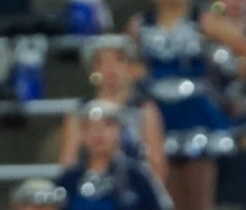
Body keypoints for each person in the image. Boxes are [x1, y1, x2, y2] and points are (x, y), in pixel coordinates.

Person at [131, 0, 246, 210]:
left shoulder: (203, 20)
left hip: (195, 112)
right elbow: (129, 65)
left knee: (199, 202)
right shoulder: (139, 26)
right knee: (164, 200)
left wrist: (227, 88)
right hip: (158, 116)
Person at [58, 35, 168, 185]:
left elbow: (157, 162)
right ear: (92, 71)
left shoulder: (145, 109)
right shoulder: (79, 113)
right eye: (101, 62)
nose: (111, 69)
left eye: (119, 60)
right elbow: (69, 161)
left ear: (130, 68)